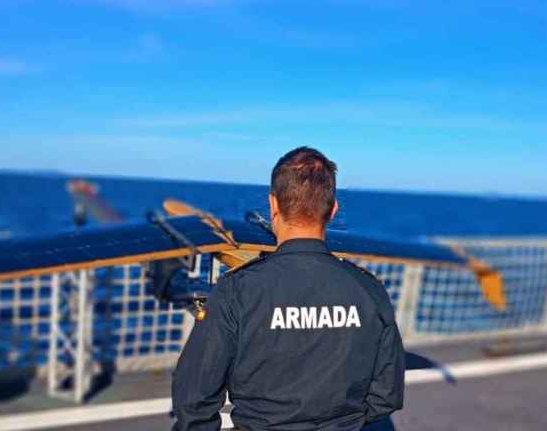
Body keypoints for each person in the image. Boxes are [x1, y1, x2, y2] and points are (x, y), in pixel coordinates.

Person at [172, 146, 405, 431]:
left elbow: (194, 396)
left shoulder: (238, 289)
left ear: (273, 205)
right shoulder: (368, 289)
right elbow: (386, 396)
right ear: (332, 210)